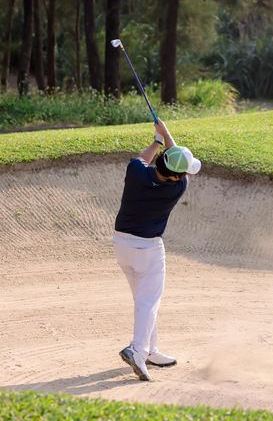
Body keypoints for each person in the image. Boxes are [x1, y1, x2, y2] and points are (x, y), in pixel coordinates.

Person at [114, 118, 201, 381]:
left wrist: (158, 139)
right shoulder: (176, 187)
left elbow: (147, 158)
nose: (184, 176)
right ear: (176, 176)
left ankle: (151, 350)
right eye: (183, 172)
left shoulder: (136, 170)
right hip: (148, 249)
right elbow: (175, 166)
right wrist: (167, 134)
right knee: (148, 301)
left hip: (122, 244)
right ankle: (137, 350)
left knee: (143, 300)